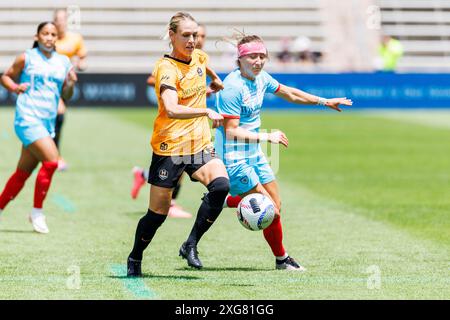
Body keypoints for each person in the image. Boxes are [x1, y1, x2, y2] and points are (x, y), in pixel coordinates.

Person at [214, 35, 352, 270]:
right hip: (233, 157)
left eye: (261, 56)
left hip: (253, 152)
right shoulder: (232, 88)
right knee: (271, 212)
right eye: (252, 56)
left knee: (277, 205)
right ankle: (282, 259)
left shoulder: (261, 78)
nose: (258, 61)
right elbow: (231, 132)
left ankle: (224, 199)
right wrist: (267, 136)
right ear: (240, 59)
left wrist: (324, 101)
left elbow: (289, 93)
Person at [127, 12, 229, 277]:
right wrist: (205, 112)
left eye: (195, 35)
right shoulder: (166, 68)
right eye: (186, 35)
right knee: (157, 215)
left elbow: (204, 67)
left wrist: (215, 80)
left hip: (198, 143)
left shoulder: (200, 56)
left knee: (221, 186)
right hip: (169, 147)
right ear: (172, 36)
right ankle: (135, 257)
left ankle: (191, 243)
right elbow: (171, 108)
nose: (192, 40)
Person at [0, 22, 77, 233]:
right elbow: (5, 76)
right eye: (45, 33)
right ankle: (37, 212)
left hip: (46, 123)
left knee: (23, 172)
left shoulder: (63, 62)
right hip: (26, 119)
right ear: (37, 36)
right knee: (52, 161)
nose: (49, 37)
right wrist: (15, 87)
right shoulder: (27, 57)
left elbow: (67, 95)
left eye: (53, 34)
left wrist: (70, 84)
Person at [131, 23, 209, 218]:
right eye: (191, 35)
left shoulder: (199, 57)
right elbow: (153, 80)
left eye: (200, 36)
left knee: (182, 167)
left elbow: (206, 70)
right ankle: (169, 202)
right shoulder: (170, 63)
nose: (197, 40)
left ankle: (144, 176)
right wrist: (171, 90)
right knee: (179, 166)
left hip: (191, 127)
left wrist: (209, 85)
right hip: (175, 125)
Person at [53, 8, 88, 171]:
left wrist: (81, 64)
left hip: (66, 85)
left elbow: (82, 58)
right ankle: (54, 156)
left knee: (56, 119)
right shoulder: (49, 38)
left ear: (66, 21)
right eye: (57, 19)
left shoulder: (75, 39)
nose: (60, 22)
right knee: (58, 114)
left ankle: (52, 155)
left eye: (62, 19)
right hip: (49, 84)